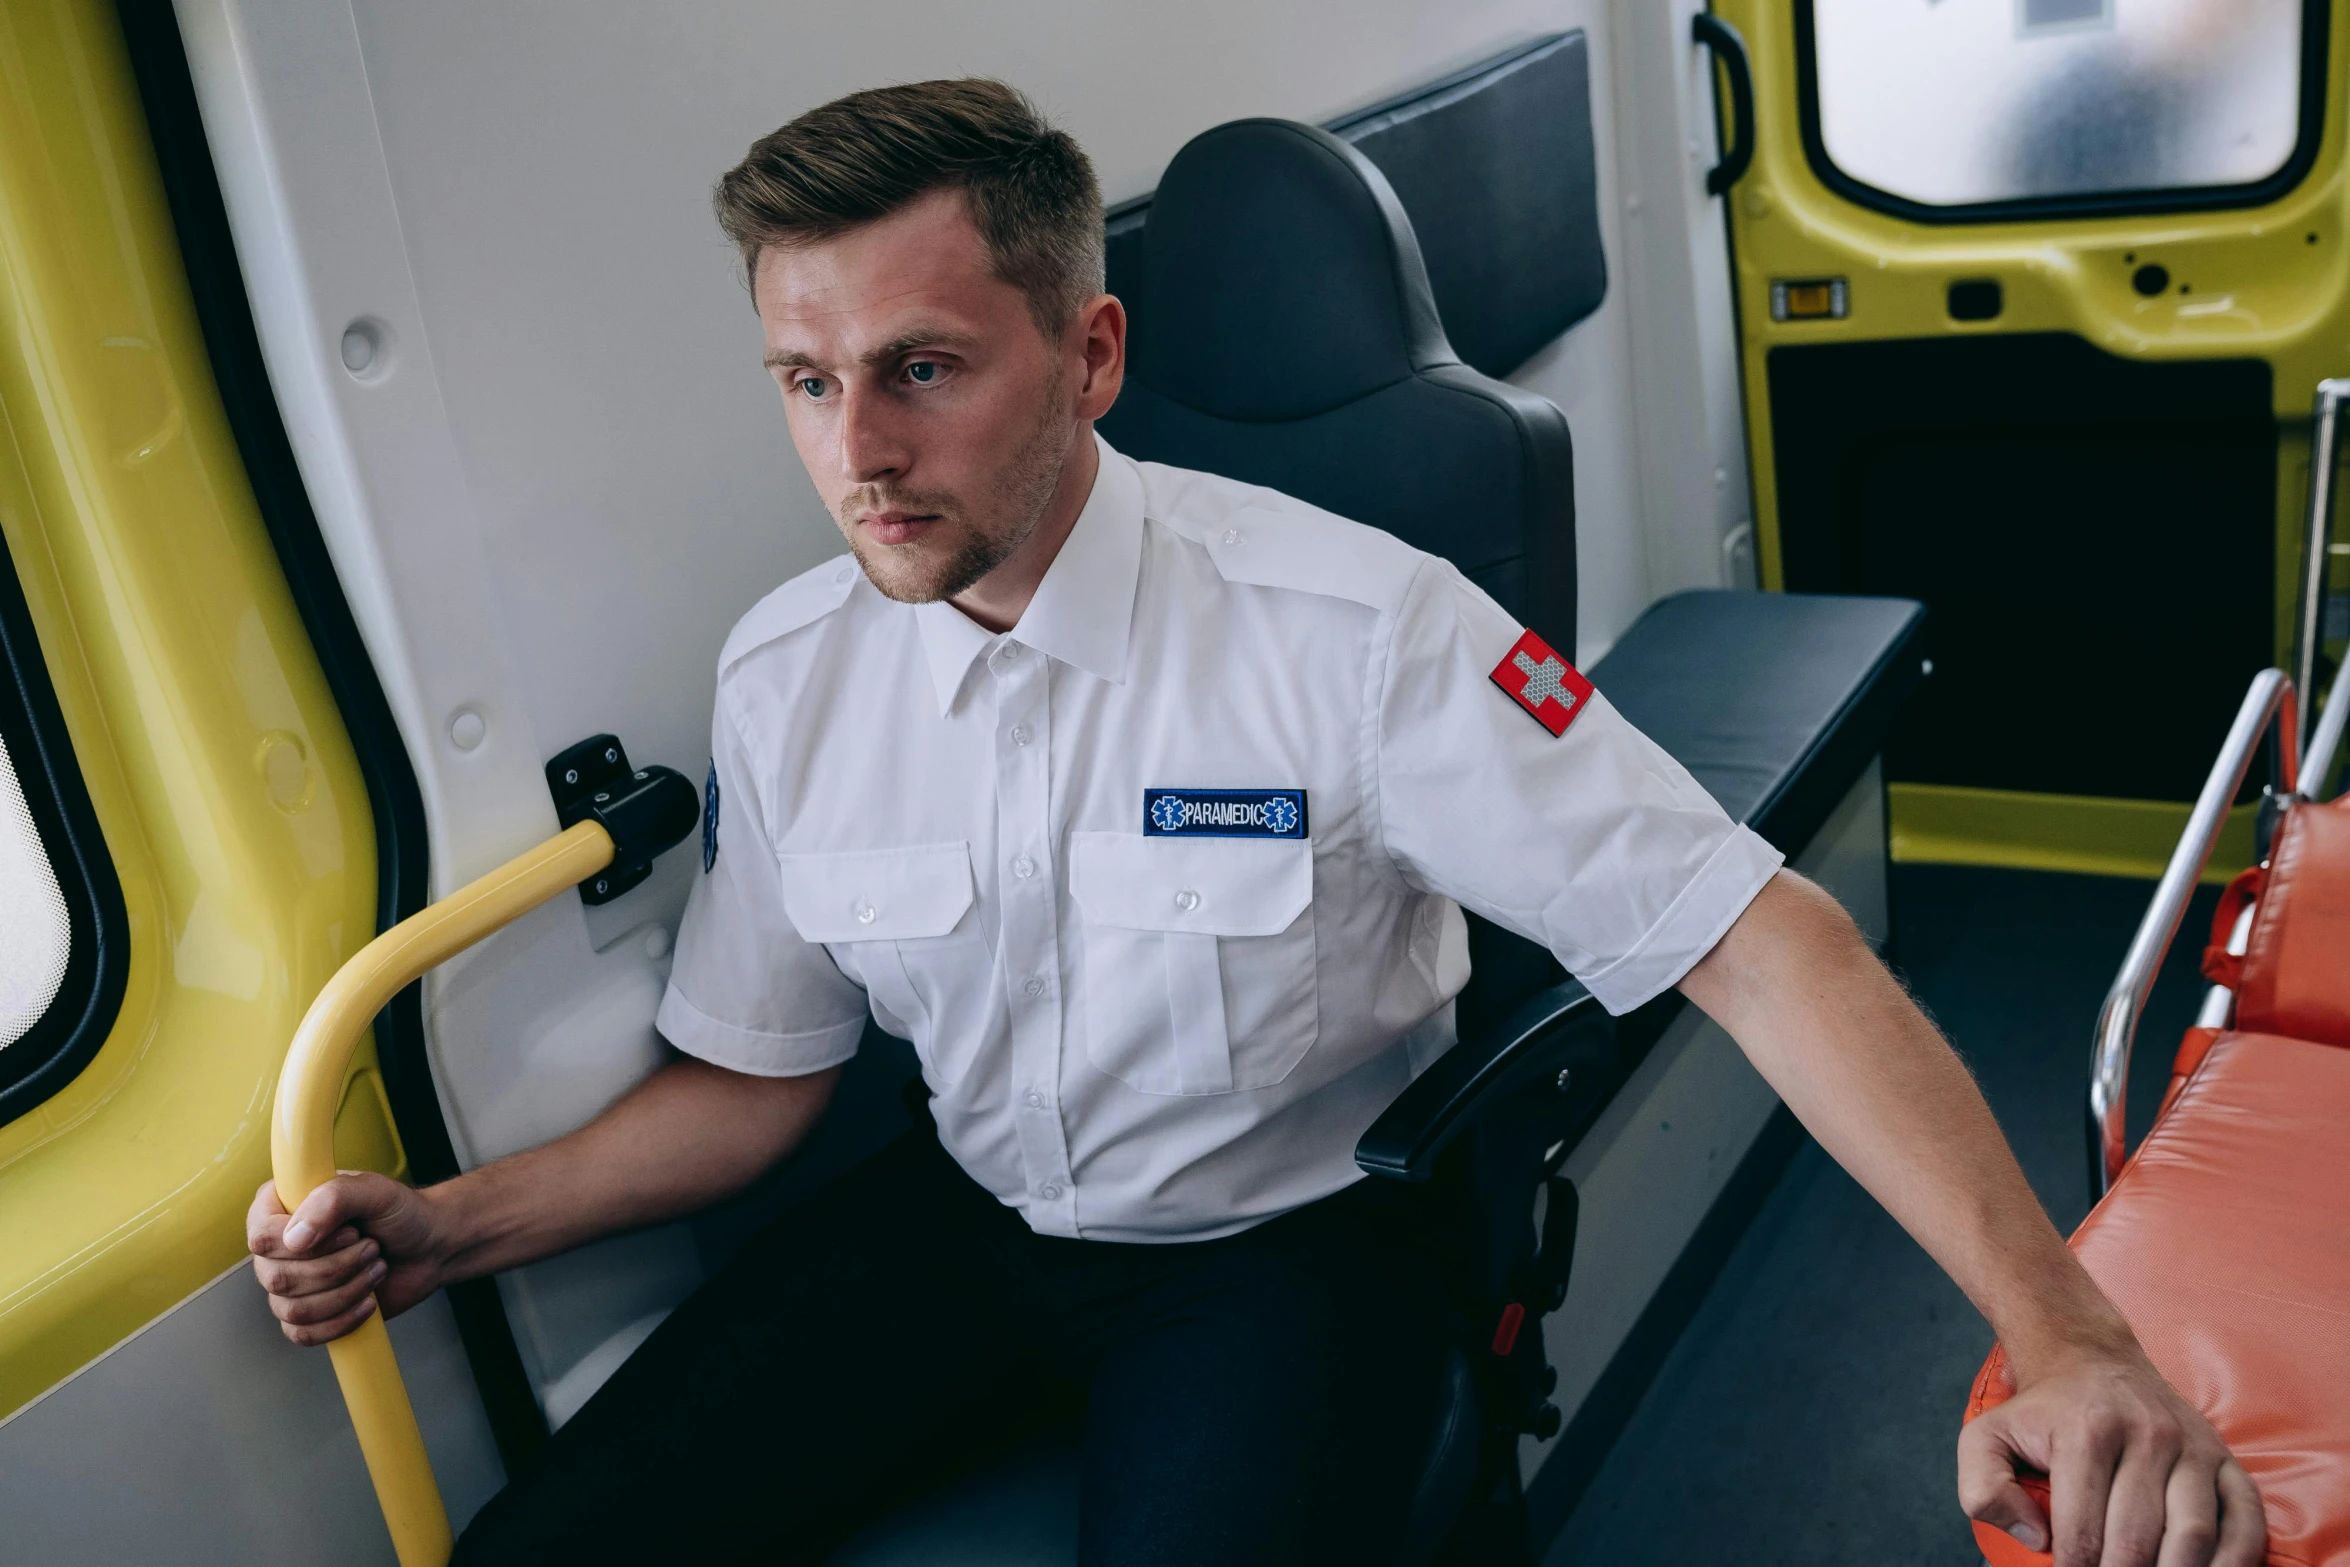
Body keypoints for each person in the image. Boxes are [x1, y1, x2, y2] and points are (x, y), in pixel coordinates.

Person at [246, 79, 2264, 1567]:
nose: (853, 452)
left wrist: (2065, 1338)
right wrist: (443, 1231)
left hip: (1278, 1253)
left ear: (1090, 354)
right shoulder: (791, 672)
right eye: (802, 380)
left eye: (922, 371)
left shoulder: (1350, 628)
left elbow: (1762, 943)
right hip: (967, 1227)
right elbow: (752, 1086)